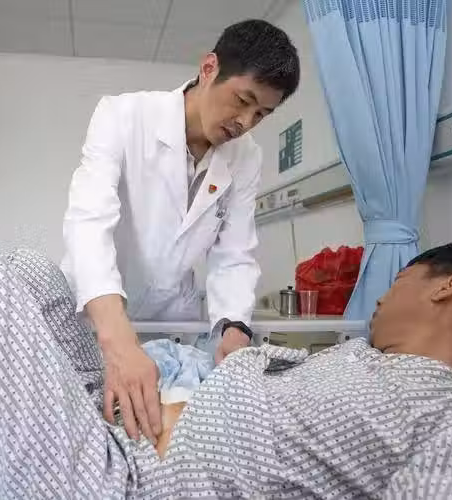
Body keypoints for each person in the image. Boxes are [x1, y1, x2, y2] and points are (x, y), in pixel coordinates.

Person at [0, 228, 452, 498]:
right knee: (29, 272)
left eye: (401, 277)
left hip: (126, 484)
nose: (381, 296)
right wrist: (240, 350)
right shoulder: (361, 356)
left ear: (446, 287)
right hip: (121, 424)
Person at [61, 20, 300, 443]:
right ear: (209, 68)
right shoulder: (123, 116)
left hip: (173, 322)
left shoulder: (246, 156)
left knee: (167, 431)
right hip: (100, 316)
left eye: (261, 114)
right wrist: (118, 341)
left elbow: (235, 254)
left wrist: (234, 329)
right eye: (243, 100)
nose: (245, 122)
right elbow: (89, 223)